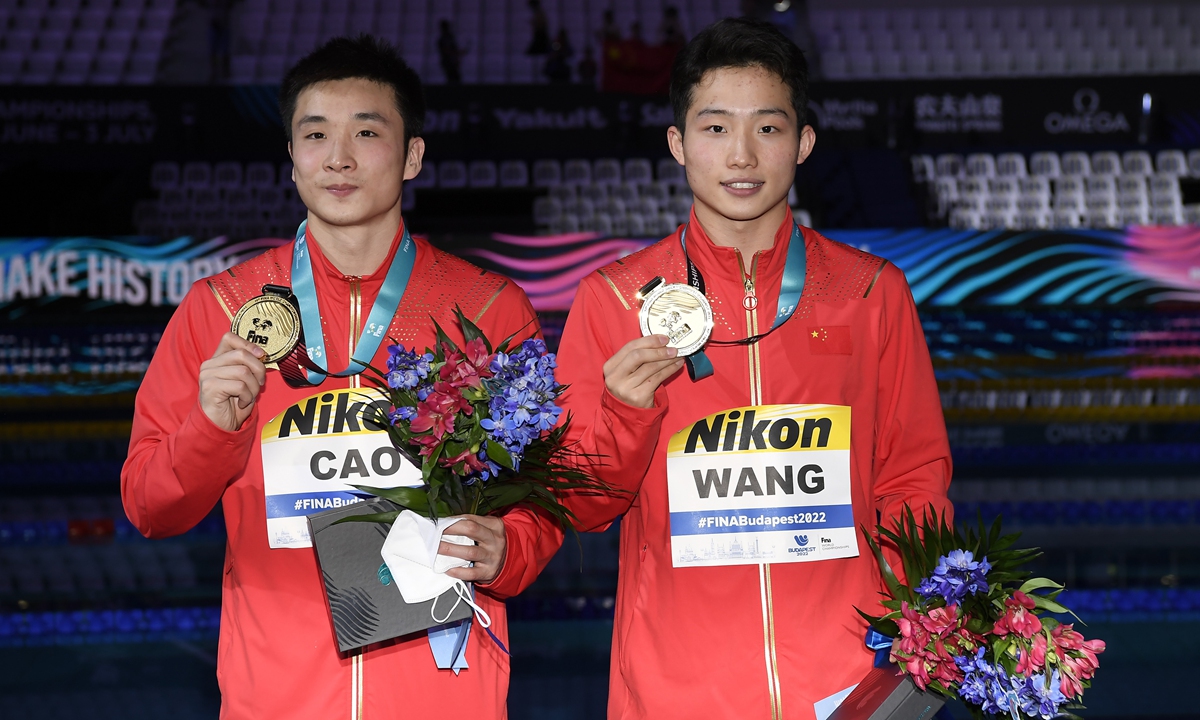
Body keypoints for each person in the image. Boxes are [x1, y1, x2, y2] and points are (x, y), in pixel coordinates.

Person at [121, 36, 562, 720]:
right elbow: (150, 506)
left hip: (444, 697)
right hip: (276, 699)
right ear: (291, 155)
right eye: (316, 134)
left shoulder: (486, 308)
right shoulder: (222, 308)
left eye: (367, 132)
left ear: (412, 155)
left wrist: (512, 549)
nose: (339, 157)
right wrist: (211, 428)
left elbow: (544, 494)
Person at [556, 17, 952, 720]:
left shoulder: (870, 292)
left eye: (768, 128)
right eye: (715, 128)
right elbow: (583, 506)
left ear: (803, 143)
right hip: (677, 692)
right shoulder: (613, 300)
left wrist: (910, 631)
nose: (741, 154)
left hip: (847, 682)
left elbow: (913, 477)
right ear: (678, 143)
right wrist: (624, 414)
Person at [437, 19, 467, 84]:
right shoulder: (443, 39)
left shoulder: (449, 38)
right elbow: (447, 51)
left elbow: (451, 49)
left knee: (454, 79)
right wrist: (458, 53)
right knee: (453, 79)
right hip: (448, 63)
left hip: (450, 62)